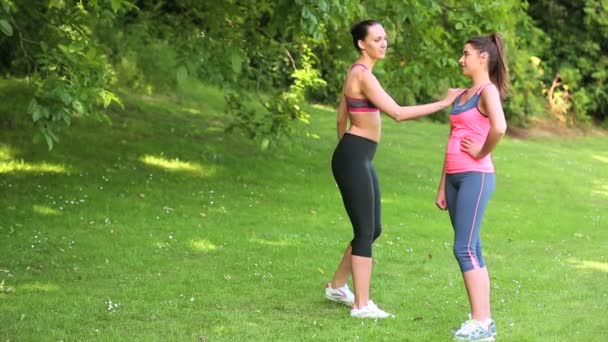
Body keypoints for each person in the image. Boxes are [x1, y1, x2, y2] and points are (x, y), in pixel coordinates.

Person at [325, 19, 461, 319]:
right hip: (354, 155)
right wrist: (444, 102)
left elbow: (341, 117)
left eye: (385, 38)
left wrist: (345, 147)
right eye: (376, 39)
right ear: (362, 44)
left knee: (373, 229)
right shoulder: (363, 75)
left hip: (356, 155)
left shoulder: (356, 71)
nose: (383, 43)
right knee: (364, 230)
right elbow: (398, 113)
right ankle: (361, 305)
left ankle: (337, 286)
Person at [434, 33, 509, 340]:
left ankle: (481, 322)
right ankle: (483, 321)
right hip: (454, 178)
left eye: (465, 54)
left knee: (463, 248)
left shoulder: (487, 91)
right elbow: (451, 140)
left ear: (482, 57)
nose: (460, 59)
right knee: (472, 246)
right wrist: (442, 186)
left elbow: (500, 127)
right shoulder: (464, 93)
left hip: (476, 177)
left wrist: (481, 151)